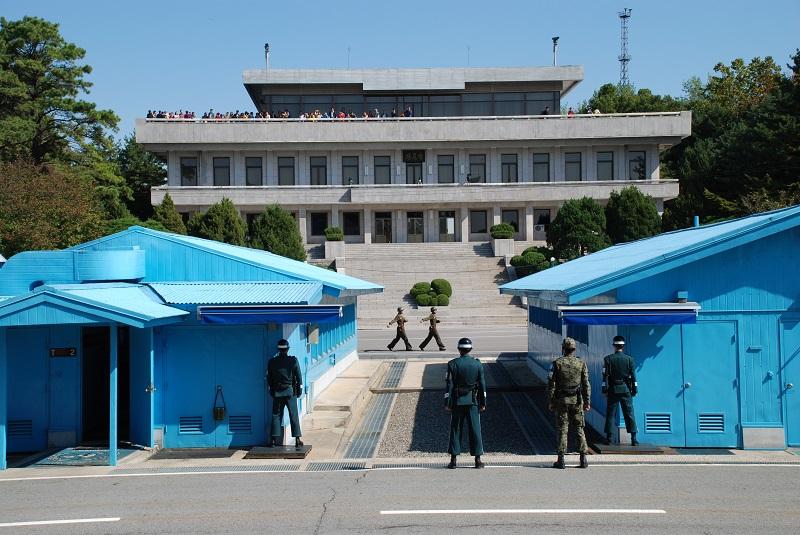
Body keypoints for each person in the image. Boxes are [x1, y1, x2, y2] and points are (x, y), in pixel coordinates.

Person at [547, 337, 590, 469]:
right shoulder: (581, 363)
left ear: (563, 349)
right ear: (574, 349)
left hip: (562, 401)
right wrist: (587, 401)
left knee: (562, 429)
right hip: (577, 400)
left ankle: (561, 459)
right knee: (579, 428)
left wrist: (551, 401)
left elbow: (551, 384)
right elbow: (586, 384)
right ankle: (583, 458)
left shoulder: (557, 363)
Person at [445, 337, 486, 469]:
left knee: (455, 429)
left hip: (457, 401)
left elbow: (449, 385)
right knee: (475, 429)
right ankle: (477, 459)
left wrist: (447, 402)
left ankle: (453, 460)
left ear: (459, 349)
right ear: (470, 349)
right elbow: (482, 385)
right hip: (472, 401)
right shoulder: (477, 364)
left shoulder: (452, 364)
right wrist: (483, 402)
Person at [602, 335, 639, 445]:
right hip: (625, 389)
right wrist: (635, 389)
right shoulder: (629, 359)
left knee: (610, 414)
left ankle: (609, 438)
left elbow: (605, 376)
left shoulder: (608, 359)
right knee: (629, 413)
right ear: (623, 346)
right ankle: (633, 438)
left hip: (613, 389)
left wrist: (604, 389)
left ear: (614, 345)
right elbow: (633, 376)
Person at [267, 339, 304, 448]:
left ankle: (273, 440)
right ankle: (297, 439)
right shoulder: (293, 360)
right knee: (294, 415)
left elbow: (270, 378)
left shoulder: (272, 362)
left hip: (277, 392)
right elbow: (299, 377)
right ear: (287, 349)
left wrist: (272, 391)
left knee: (276, 415)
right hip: (290, 392)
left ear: (278, 349)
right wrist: (299, 390)